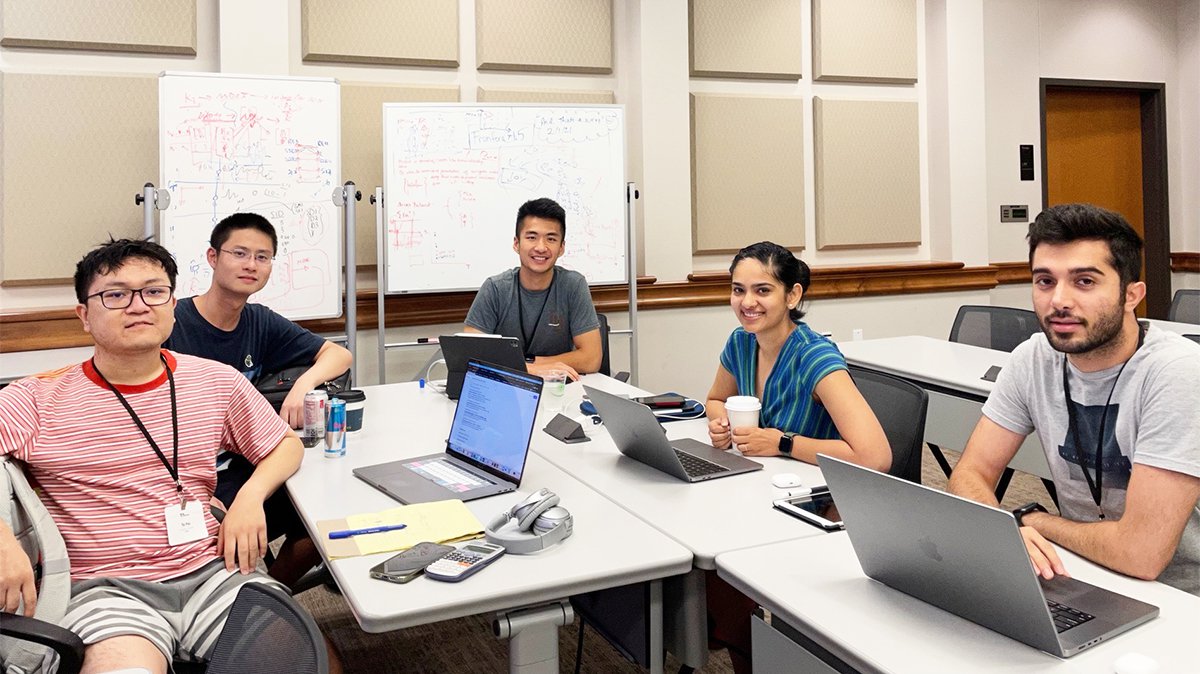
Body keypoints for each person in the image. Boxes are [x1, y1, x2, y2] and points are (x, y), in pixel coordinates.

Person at [0, 238, 306, 672]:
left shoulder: (215, 381)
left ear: (172, 304)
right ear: (84, 316)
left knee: (302, 660)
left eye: (153, 291)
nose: (138, 305)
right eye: (116, 294)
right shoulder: (37, 397)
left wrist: (250, 498)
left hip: (213, 570)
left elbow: (284, 444)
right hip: (105, 589)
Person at [949, 203, 1200, 596]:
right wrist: (1006, 527)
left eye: (1084, 281)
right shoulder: (1034, 358)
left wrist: (1033, 521)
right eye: (1045, 281)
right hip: (1080, 571)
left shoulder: (1178, 373)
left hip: (1181, 597)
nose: (1059, 301)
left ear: (1132, 294)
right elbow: (969, 474)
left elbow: (1141, 556)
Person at [703, 241, 891, 674]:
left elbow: (875, 455)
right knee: (712, 561)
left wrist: (782, 442)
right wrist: (720, 423)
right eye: (737, 290)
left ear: (793, 295)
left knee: (723, 558)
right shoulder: (741, 342)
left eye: (762, 291)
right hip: (764, 491)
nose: (747, 302)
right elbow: (715, 398)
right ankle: (740, 646)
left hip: (822, 510)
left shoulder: (814, 356)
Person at [164, 212, 352, 588]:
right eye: (239, 253)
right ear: (213, 257)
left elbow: (339, 355)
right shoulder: (172, 322)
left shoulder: (259, 321)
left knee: (331, 516)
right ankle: (248, 598)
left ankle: (270, 596)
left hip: (245, 466)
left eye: (262, 257)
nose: (251, 265)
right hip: (187, 477)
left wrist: (305, 384)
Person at [464, 197, 602, 380]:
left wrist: (535, 365)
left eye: (551, 239)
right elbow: (470, 354)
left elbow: (592, 359)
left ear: (561, 248)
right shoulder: (495, 288)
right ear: (516, 243)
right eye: (531, 237)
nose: (541, 247)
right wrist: (531, 370)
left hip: (558, 389)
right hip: (505, 388)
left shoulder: (573, 286)